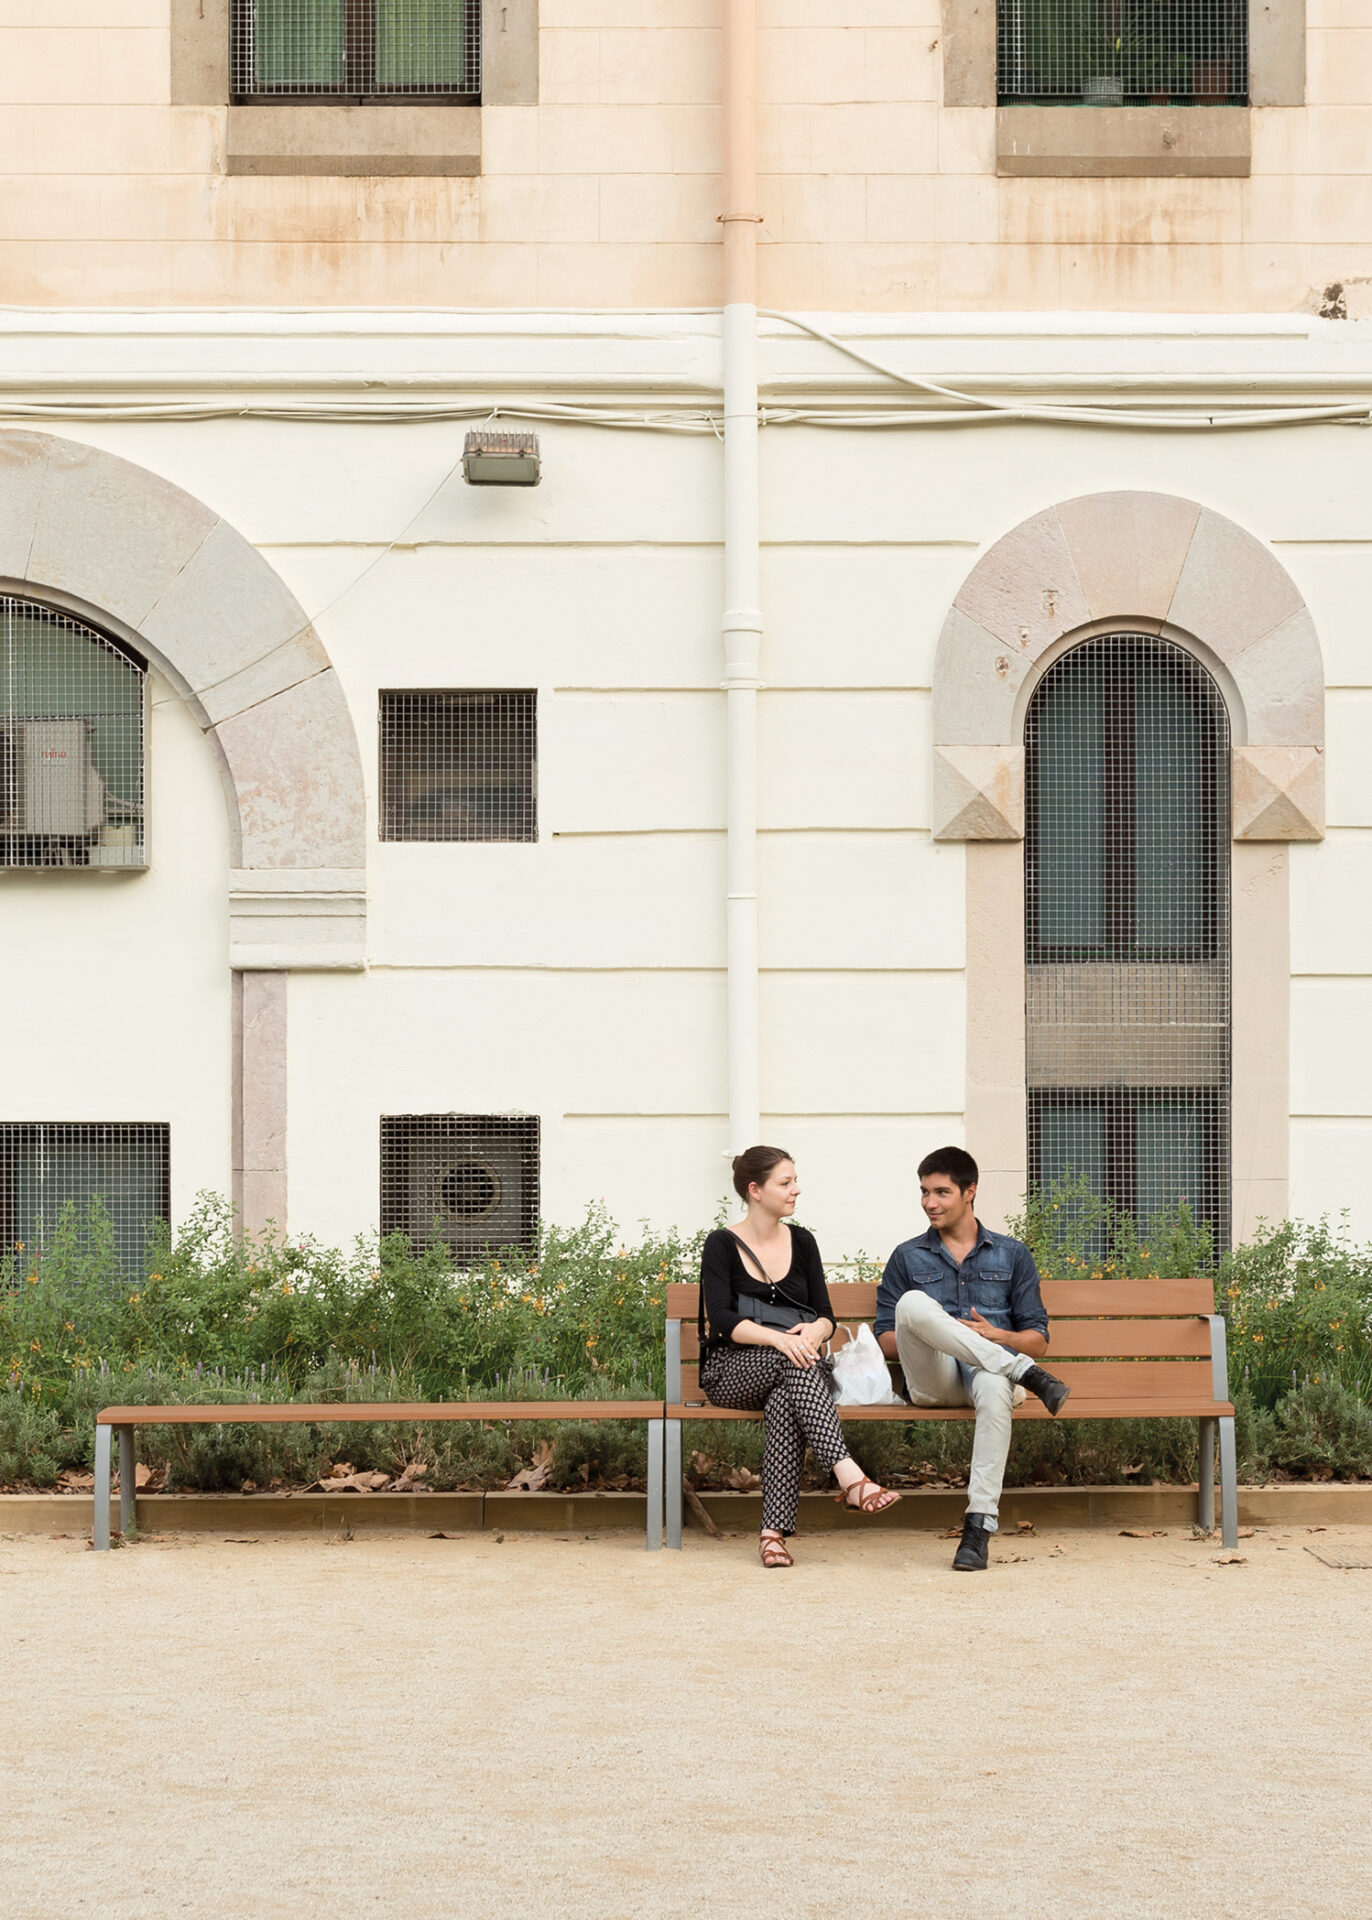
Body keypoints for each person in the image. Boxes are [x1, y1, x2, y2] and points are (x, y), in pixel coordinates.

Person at [699, 1145, 901, 1568]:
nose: (796, 1190)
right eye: (785, 1182)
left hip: (795, 1368)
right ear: (755, 1190)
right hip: (732, 1370)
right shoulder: (721, 1244)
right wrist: (779, 1340)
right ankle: (849, 1476)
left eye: (795, 1181)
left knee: (786, 1400)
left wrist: (815, 1330)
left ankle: (773, 1536)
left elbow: (826, 1315)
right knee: (797, 1362)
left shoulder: (803, 1242)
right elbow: (720, 1319)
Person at [875, 1146, 1070, 1573]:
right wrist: (940, 1333)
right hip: (935, 1380)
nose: (930, 1202)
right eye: (924, 1192)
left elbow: (1038, 1339)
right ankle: (1022, 1372)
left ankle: (978, 1528)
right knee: (912, 1303)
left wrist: (998, 1336)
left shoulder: (1011, 1254)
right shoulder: (907, 1256)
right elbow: (887, 1339)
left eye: (941, 1192)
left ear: (970, 1192)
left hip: (990, 1379)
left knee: (996, 1380)